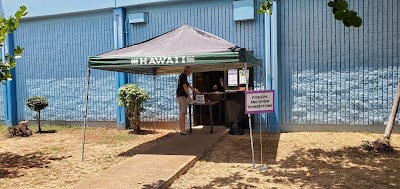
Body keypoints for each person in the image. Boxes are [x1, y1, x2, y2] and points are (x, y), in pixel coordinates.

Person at [176, 66, 199, 135]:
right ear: (187, 71)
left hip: (180, 96)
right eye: (190, 71)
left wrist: (194, 89)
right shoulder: (184, 76)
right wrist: (189, 96)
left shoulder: (183, 76)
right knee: (183, 113)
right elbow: (185, 86)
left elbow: (188, 85)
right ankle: (182, 129)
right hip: (182, 96)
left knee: (182, 112)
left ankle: (181, 129)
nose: (191, 72)